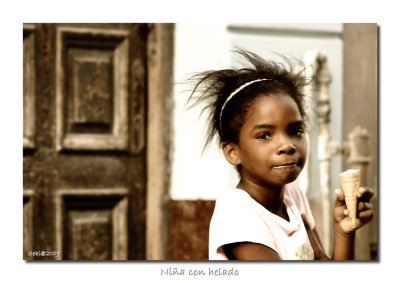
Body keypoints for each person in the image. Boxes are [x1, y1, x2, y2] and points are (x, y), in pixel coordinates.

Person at [187, 49, 374, 260]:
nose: (287, 145)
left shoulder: (292, 195)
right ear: (233, 152)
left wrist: (343, 232)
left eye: (296, 131)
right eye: (265, 135)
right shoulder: (236, 213)